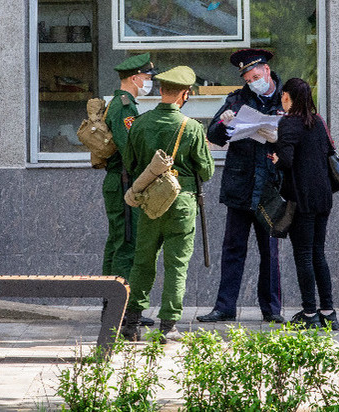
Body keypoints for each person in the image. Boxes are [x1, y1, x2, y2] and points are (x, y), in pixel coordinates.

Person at [121, 66, 215, 343]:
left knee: (143, 262)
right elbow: (206, 172)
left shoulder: (139, 123)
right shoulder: (193, 128)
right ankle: (168, 326)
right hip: (182, 204)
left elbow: (131, 164)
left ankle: (132, 323)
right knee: (177, 265)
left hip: (150, 202)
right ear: (184, 94)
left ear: (162, 90)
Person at [197, 49, 284, 324]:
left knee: (270, 251)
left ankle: (271, 309)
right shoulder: (236, 99)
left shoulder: (286, 98)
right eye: (248, 79)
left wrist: (279, 138)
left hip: (270, 186)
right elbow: (213, 135)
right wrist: (224, 124)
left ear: (267, 71)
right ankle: (225, 307)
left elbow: (302, 137)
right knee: (233, 248)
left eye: (256, 76)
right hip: (240, 184)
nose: (253, 82)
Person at [272, 78, 339, 330]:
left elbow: (287, 161)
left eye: (283, 96)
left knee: (303, 255)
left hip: (302, 198)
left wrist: (276, 157)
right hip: (323, 196)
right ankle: (328, 313)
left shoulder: (289, 123)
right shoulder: (318, 121)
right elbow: (327, 153)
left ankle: (310, 314)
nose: (281, 99)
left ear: (288, 97)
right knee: (318, 253)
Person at [103, 53, 156, 326]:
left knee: (117, 242)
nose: (149, 82)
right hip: (125, 180)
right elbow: (129, 148)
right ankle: (120, 310)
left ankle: (111, 306)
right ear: (135, 78)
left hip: (119, 180)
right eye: (147, 78)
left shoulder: (121, 103)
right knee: (126, 243)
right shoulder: (124, 106)